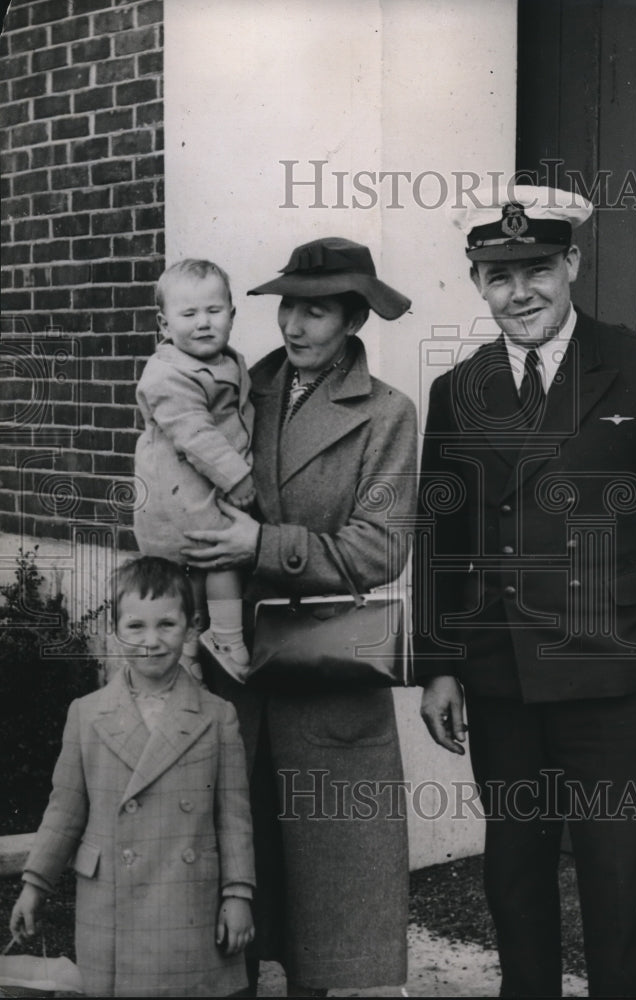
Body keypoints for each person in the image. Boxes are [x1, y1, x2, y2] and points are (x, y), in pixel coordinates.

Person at [414, 186, 636, 998]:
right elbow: (441, 540)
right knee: (516, 884)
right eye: (497, 274)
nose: (520, 292)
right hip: (504, 680)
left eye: (536, 269)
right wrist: (440, 664)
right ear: (477, 281)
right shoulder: (458, 391)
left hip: (616, 684)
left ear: (573, 265)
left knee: (626, 888)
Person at [182, 236, 417, 997]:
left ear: (353, 319)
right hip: (235, 674)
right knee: (234, 896)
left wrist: (263, 543)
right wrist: (194, 621)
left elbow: (379, 551)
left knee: (325, 913)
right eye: (288, 306)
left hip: (327, 676)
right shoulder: (234, 395)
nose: (295, 325)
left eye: (317, 310)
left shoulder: (387, 415)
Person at [9, 556, 256, 997]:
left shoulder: (218, 717)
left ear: (192, 626)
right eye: (136, 627)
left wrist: (238, 895)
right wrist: (34, 886)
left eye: (166, 625)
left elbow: (233, 818)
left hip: (189, 904)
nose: (152, 641)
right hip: (111, 903)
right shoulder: (86, 714)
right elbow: (64, 810)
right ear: (115, 629)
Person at [134, 259, 255, 682]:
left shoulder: (228, 361)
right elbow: (196, 433)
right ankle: (227, 636)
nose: (203, 323)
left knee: (197, 572)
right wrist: (237, 476)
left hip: (201, 483)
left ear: (233, 315)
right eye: (188, 315)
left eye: (214, 311)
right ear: (164, 324)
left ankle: (188, 647)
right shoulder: (166, 372)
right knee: (219, 555)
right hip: (179, 489)